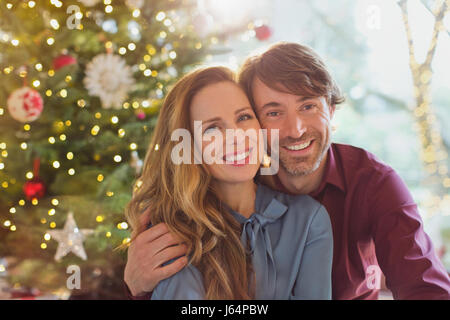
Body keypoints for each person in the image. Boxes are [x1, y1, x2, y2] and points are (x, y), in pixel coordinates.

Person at [124, 42, 450, 300]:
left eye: (308, 106)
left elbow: (424, 287)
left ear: (331, 110)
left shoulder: (373, 183)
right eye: (274, 112)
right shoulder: (230, 180)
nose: (295, 130)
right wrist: (139, 285)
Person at [124, 66, 333, 299]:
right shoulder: (173, 230)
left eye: (243, 117)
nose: (237, 137)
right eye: (212, 128)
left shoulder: (308, 219)